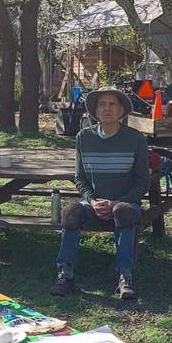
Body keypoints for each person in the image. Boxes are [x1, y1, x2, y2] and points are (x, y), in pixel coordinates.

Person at [51, 87, 150, 301]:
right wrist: (92, 201)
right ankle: (65, 274)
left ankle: (125, 276)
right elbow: (80, 179)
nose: (107, 109)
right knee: (70, 212)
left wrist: (117, 201)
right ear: (95, 110)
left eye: (112, 104)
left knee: (123, 212)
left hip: (125, 204)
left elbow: (143, 181)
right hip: (93, 205)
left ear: (121, 109)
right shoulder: (83, 137)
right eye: (102, 104)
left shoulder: (136, 139)